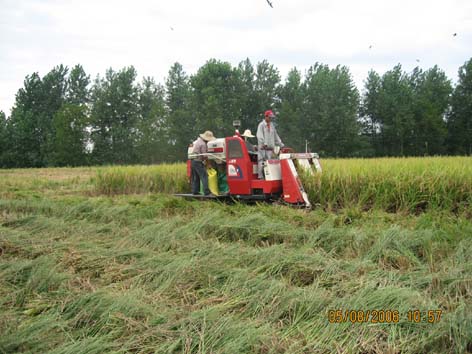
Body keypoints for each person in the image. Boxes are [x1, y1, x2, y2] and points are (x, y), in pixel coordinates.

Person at [256, 110, 284, 179]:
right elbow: (259, 135)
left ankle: (268, 177)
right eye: (270, 117)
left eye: (272, 118)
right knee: (261, 161)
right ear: (266, 117)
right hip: (262, 148)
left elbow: (276, 136)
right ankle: (261, 177)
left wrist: (281, 144)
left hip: (270, 149)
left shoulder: (272, 126)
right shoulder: (261, 125)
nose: (271, 119)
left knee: (270, 162)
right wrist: (263, 143)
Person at [191, 130, 216, 195]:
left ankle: (195, 191)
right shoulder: (203, 144)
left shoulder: (198, 141)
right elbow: (205, 156)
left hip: (193, 161)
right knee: (204, 176)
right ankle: (207, 192)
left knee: (196, 177)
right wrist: (208, 164)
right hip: (198, 162)